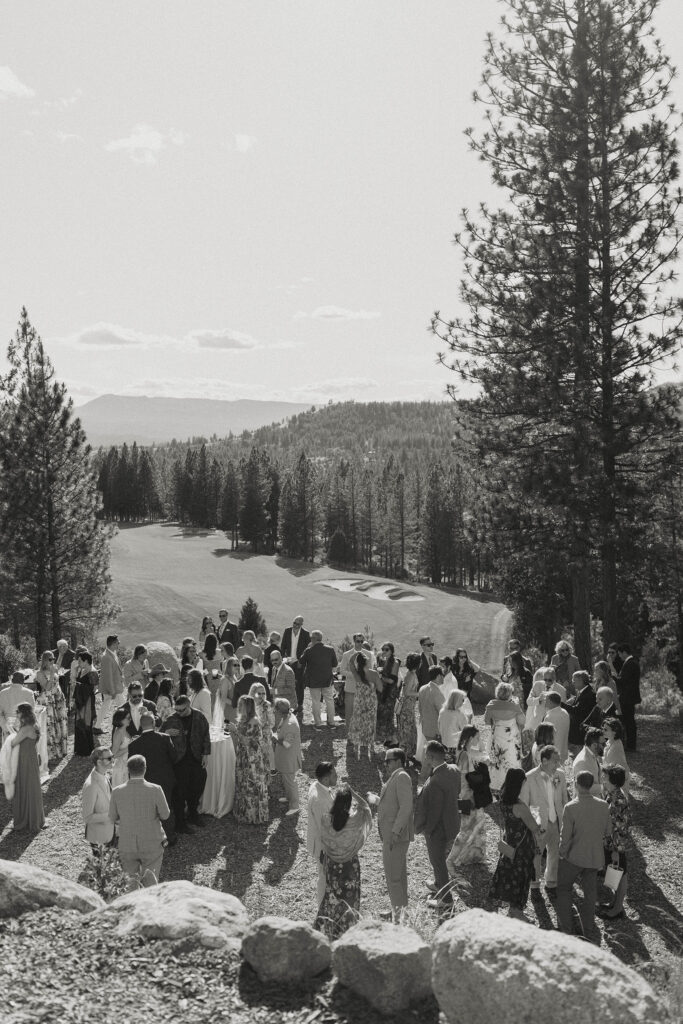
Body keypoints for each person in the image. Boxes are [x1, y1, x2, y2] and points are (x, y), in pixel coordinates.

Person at [556, 770, 612, 940]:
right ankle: (588, 929)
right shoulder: (603, 806)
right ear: (591, 784)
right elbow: (608, 832)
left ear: (576, 784)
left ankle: (566, 929)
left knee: (564, 888)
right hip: (594, 857)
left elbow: (565, 837)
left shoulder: (571, 807)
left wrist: (562, 853)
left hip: (574, 856)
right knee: (590, 893)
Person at [314, 785, 373, 939]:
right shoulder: (355, 820)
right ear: (348, 803)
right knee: (349, 898)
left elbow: (324, 840)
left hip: (332, 865)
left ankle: (328, 928)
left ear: (335, 801)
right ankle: (347, 930)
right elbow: (366, 807)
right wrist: (354, 792)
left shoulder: (326, 820)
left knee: (332, 896)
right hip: (349, 866)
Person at [109, 753, 170, 890]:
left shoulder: (117, 792)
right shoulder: (156, 789)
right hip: (151, 842)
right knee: (151, 884)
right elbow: (165, 815)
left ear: (128, 770)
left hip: (127, 843)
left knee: (130, 884)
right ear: (145, 768)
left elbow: (112, 818)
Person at [414, 740, 461, 908]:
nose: (424, 757)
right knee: (440, 859)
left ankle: (446, 900)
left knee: (438, 861)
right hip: (452, 823)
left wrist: (428, 830)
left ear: (431, 757)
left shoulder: (435, 781)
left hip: (438, 829)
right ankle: (438, 884)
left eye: (426, 754)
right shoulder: (454, 770)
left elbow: (434, 811)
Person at [489, 768, 541, 918]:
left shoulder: (503, 800)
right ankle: (516, 912)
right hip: (523, 848)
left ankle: (512, 910)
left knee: (508, 875)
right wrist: (538, 821)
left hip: (510, 842)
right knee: (520, 878)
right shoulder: (520, 807)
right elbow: (534, 828)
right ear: (520, 784)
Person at [372, 747, 414, 922]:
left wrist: (395, 832)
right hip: (394, 835)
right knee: (399, 875)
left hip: (394, 837)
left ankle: (398, 917)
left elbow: (406, 807)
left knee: (393, 878)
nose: (385, 764)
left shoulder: (402, 776)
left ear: (398, 761)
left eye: (388, 760)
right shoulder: (397, 777)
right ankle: (399, 910)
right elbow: (395, 804)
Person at [521, 744, 569, 894]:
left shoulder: (560, 775)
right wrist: (533, 825)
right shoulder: (529, 777)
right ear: (544, 760)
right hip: (538, 824)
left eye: (559, 761)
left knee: (555, 852)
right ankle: (534, 885)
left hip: (556, 821)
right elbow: (524, 804)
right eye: (555, 761)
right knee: (536, 854)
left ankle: (551, 882)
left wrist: (565, 821)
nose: (558, 764)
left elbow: (563, 799)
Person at [129, 712, 179, 846]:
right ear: (154, 723)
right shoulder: (165, 738)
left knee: (148, 811)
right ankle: (170, 837)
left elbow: (133, 767)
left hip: (146, 781)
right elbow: (174, 758)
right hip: (165, 780)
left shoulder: (134, 745)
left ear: (140, 725)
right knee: (166, 808)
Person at [162, 694, 211, 833]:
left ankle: (193, 814)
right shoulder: (171, 719)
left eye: (182, 710)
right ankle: (180, 823)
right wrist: (166, 733)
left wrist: (206, 754)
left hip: (195, 758)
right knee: (179, 793)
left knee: (198, 786)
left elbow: (206, 735)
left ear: (189, 705)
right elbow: (159, 735)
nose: (179, 713)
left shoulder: (199, 717)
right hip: (179, 761)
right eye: (176, 710)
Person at [446, 726, 489, 871]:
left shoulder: (462, 752)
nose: (479, 740)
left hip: (465, 793)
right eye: (477, 737)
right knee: (468, 826)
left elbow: (482, 753)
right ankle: (456, 857)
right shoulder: (465, 754)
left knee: (474, 823)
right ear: (470, 738)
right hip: (468, 794)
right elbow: (466, 776)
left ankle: (472, 855)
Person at [228, 695, 269, 824]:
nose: (239, 707)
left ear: (248, 707)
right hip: (243, 756)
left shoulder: (254, 721)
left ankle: (253, 816)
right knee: (242, 783)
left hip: (252, 759)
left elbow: (247, 742)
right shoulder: (244, 719)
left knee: (250, 785)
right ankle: (244, 814)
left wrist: (235, 731)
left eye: (241, 705)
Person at [598, 764, 631, 921]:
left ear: (613, 781)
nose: (603, 779)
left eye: (606, 777)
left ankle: (618, 909)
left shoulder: (617, 800)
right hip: (611, 844)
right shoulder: (613, 794)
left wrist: (616, 851)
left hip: (615, 846)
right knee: (616, 873)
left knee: (620, 874)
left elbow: (618, 827)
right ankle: (615, 904)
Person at [9, 703, 46, 832]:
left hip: (25, 760)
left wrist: (8, 728)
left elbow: (13, 742)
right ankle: (35, 818)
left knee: (26, 786)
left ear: (23, 713)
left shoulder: (26, 728)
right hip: (30, 757)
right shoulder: (33, 726)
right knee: (32, 787)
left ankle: (27, 819)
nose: (16, 714)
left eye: (17, 712)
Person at [484, 682, 525, 791]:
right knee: (512, 759)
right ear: (509, 694)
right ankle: (513, 784)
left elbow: (487, 721)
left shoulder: (491, 705)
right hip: (511, 738)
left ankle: (497, 785)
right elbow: (522, 721)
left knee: (498, 760)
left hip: (497, 736)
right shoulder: (514, 706)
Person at [307, 761, 337, 905]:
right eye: (335, 775)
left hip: (323, 843)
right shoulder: (320, 801)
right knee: (324, 878)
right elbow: (324, 828)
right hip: (323, 847)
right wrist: (325, 852)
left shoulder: (317, 785)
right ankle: (322, 908)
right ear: (325, 779)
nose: (338, 777)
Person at [299, 630, 338, 729]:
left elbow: (300, 662)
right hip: (327, 679)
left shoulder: (309, 650)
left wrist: (306, 649)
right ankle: (331, 722)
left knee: (315, 701)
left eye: (311, 638)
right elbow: (335, 664)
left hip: (313, 680)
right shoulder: (330, 649)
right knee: (329, 700)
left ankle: (318, 723)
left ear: (313, 639)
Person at [34, 650, 68, 762]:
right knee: (52, 726)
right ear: (44, 660)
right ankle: (54, 753)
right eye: (50, 659)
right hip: (48, 700)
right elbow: (47, 687)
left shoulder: (53, 668)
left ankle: (63, 750)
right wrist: (53, 674)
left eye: (53, 658)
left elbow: (58, 665)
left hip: (58, 698)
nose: (53, 661)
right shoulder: (39, 674)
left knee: (61, 723)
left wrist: (61, 654)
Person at [81, 747, 115, 850]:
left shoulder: (103, 774)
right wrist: (112, 816)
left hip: (109, 832)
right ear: (99, 762)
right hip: (99, 838)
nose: (113, 760)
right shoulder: (91, 786)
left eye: (112, 756)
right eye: (109, 758)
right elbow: (87, 817)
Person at [272, 697, 301, 815]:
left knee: (290, 782)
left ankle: (295, 805)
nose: (274, 711)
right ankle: (289, 797)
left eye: (275, 709)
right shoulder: (285, 717)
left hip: (289, 759)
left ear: (279, 710)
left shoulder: (290, 724)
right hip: (285, 758)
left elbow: (287, 744)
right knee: (286, 780)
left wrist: (274, 739)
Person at [347, 651, 379, 757]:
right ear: (366, 661)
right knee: (370, 723)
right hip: (371, 701)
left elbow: (350, 662)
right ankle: (372, 748)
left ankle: (356, 748)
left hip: (359, 701)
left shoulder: (357, 674)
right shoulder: (373, 673)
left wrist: (357, 653)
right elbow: (380, 688)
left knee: (358, 722)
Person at [280, 615, 310, 720]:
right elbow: (283, 646)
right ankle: (289, 704)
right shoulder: (287, 631)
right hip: (288, 662)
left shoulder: (306, 634)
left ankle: (300, 704)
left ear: (301, 624)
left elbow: (307, 649)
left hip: (299, 663)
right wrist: (283, 659)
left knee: (299, 683)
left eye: (298, 624)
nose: (295, 625)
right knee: (288, 683)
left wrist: (302, 661)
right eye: (294, 623)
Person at [94, 634, 124, 735]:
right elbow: (108, 676)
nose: (119, 644)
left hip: (115, 687)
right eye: (117, 643)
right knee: (124, 706)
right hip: (112, 688)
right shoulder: (106, 657)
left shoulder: (112, 653)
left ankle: (97, 726)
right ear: (113, 644)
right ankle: (127, 726)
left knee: (106, 706)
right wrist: (112, 691)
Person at [616, 643, 641, 752]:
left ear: (624, 652)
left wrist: (613, 676)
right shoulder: (631, 663)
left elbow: (623, 681)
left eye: (620, 654)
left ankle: (631, 745)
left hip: (628, 697)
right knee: (628, 721)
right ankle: (630, 744)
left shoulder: (630, 664)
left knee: (629, 721)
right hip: (629, 697)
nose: (619, 656)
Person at [72, 651, 98, 756]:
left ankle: (87, 749)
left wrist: (79, 686)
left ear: (86, 661)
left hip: (87, 702)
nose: (78, 663)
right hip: (80, 700)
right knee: (79, 721)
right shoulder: (82, 670)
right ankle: (80, 748)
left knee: (86, 722)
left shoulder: (92, 672)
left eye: (79, 661)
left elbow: (95, 688)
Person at [395, 652, 420, 761]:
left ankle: (407, 754)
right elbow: (406, 692)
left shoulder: (410, 673)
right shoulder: (411, 675)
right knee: (406, 730)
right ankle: (404, 755)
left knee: (408, 729)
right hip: (407, 706)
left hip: (409, 706)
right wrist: (420, 693)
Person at [417, 666, 446, 757]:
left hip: (426, 727)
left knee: (429, 752)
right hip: (436, 731)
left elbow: (419, 707)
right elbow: (443, 713)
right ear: (438, 676)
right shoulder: (436, 692)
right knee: (436, 756)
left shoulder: (422, 688)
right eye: (442, 675)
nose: (443, 678)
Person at [564, 670, 596, 749]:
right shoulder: (582, 691)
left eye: (574, 680)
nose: (573, 682)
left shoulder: (589, 693)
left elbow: (577, 710)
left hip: (581, 732)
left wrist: (561, 704)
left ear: (581, 681)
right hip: (577, 730)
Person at [376, 642, 400, 745]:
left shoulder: (395, 662)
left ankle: (395, 739)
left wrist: (380, 675)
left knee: (388, 716)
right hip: (382, 691)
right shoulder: (382, 661)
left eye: (387, 649)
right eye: (383, 649)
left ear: (392, 651)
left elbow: (392, 681)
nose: (384, 651)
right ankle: (388, 738)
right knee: (382, 715)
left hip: (389, 693)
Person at [0, 671, 36, 739]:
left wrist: (5, 727)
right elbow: (32, 711)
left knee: (9, 748)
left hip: (7, 726)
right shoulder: (29, 693)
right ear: (23, 681)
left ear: (12, 680)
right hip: (23, 726)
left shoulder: (2, 693)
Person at [250, 681, 276, 772]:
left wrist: (263, 726)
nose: (262, 695)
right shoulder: (248, 704)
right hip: (251, 734)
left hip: (264, 735)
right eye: (259, 693)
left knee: (266, 757)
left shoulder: (266, 705)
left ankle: (269, 770)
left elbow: (272, 723)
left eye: (263, 693)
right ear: (253, 693)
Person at [438, 689, 470, 760]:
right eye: (462, 700)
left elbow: (439, 726)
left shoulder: (442, 711)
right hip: (455, 745)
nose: (463, 702)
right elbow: (466, 730)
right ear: (457, 700)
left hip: (444, 742)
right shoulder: (459, 714)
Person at [601, 718, 630, 796]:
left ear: (614, 731)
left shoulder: (615, 747)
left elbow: (612, 769)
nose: (603, 731)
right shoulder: (610, 741)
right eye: (602, 729)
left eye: (606, 729)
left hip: (619, 780)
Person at [572, 727, 603, 796]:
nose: (606, 746)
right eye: (603, 744)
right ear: (594, 745)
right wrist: (605, 787)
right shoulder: (582, 762)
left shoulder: (593, 754)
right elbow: (583, 787)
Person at [543, 692, 570, 763]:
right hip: (563, 752)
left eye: (546, 700)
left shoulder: (549, 717)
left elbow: (545, 738)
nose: (544, 702)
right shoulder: (565, 712)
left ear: (551, 702)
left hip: (552, 755)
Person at [111, 708, 132, 789]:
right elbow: (114, 754)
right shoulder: (119, 733)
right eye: (128, 718)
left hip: (125, 764)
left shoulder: (123, 730)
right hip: (121, 768)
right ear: (121, 720)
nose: (130, 719)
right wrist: (130, 746)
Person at [53, 639, 76, 705]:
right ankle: (54, 703)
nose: (64, 648)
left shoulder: (72, 654)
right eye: (61, 646)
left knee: (63, 686)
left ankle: (65, 704)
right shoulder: (53, 653)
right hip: (54, 673)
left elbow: (72, 667)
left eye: (65, 646)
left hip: (65, 675)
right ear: (58, 647)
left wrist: (62, 670)